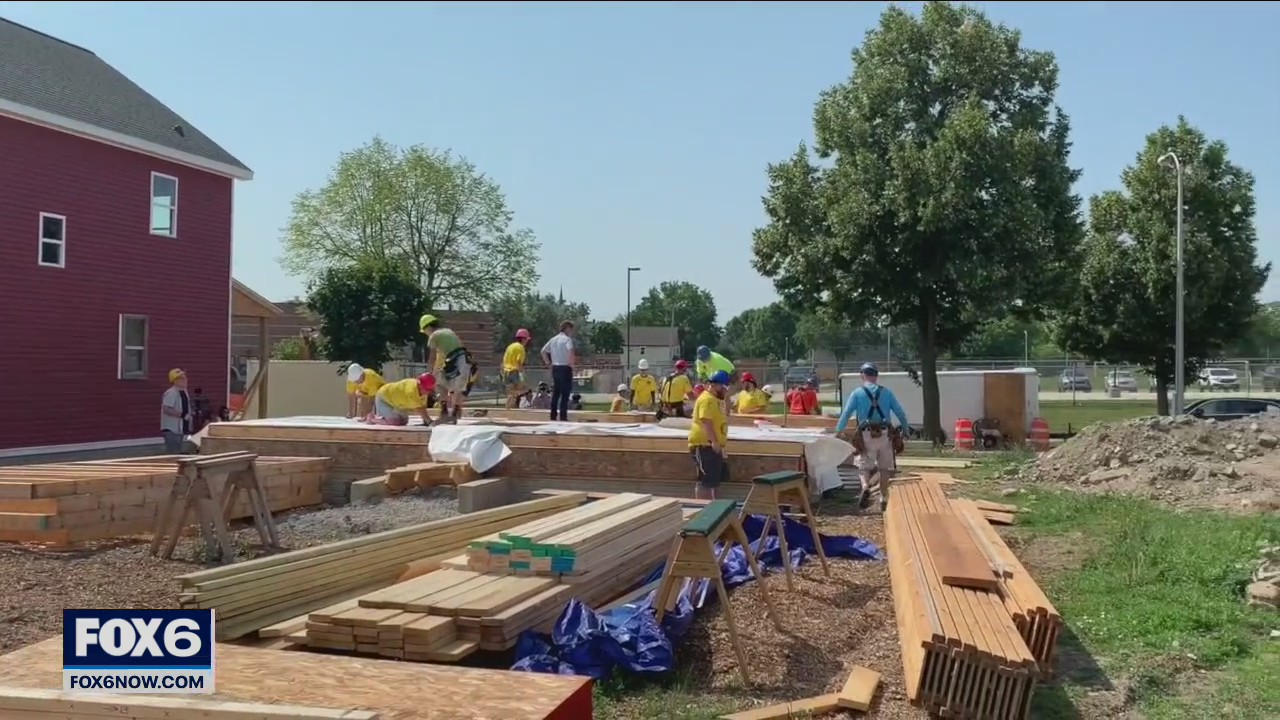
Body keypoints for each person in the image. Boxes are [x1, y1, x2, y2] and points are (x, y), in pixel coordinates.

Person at [834, 362, 909, 511]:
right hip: (885, 434)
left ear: (862, 375)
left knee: (863, 466)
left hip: (865, 434)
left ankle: (865, 486)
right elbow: (900, 412)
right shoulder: (886, 393)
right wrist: (905, 430)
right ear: (876, 376)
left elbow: (846, 413)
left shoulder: (857, 393)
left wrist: (838, 430)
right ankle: (883, 497)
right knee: (884, 468)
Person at [420, 314, 477, 425]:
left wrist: (429, 373)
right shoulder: (449, 332)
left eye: (425, 331)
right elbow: (449, 354)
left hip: (455, 362)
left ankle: (444, 413)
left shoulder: (434, 336)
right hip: (466, 362)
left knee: (439, 384)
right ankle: (454, 414)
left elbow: (432, 358)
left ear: (427, 328)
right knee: (459, 388)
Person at [689, 370, 732, 500]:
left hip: (713, 446)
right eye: (724, 388)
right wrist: (714, 441)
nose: (726, 391)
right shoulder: (706, 399)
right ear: (715, 385)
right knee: (706, 481)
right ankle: (703, 511)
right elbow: (706, 420)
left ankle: (718, 509)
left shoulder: (716, 400)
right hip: (704, 445)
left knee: (715, 480)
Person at [540, 320, 577, 422]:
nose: (571, 332)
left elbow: (543, 351)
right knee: (565, 393)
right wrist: (572, 365)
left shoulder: (553, 340)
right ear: (567, 328)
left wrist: (548, 363)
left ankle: (553, 416)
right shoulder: (567, 340)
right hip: (565, 367)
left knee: (556, 393)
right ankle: (563, 416)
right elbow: (570, 351)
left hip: (556, 368)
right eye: (571, 329)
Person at [368, 373, 436, 426]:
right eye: (427, 390)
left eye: (430, 390)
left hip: (396, 403)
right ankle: (372, 419)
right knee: (395, 422)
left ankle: (385, 418)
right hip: (383, 398)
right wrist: (430, 422)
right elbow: (420, 409)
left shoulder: (423, 391)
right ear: (419, 385)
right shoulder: (411, 391)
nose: (428, 392)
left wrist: (426, 422)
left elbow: (423, 407)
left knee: (404, 421)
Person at [160, 368, 192, 454]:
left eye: (185, 377)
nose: (185, 380)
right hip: (171, 429)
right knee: (173, 454)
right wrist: (182, 415)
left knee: (178, 452)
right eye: (181, 378)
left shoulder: (184, 392)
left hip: (180, 429)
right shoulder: (171, 393)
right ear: (175, 381)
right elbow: (166, 409)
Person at [502, 329, 533, 409]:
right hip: (514, 371)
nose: (527, 342)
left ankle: (508, 409)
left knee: (510, 393)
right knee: (524, 389)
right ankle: (513, 404)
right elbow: (519, 362)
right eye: (526, 340)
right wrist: (522, 373)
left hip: (506, 371)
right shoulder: (520, 348)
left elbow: (504, 359)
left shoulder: (510, 346)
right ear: (523, 339)